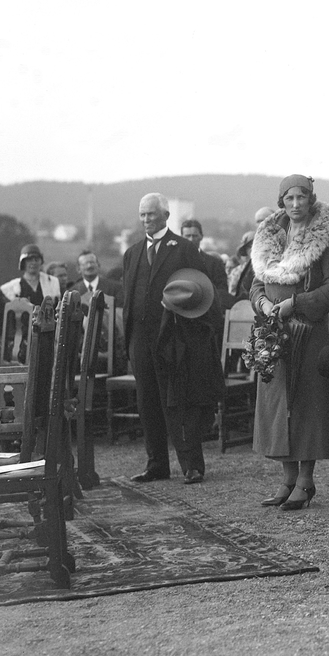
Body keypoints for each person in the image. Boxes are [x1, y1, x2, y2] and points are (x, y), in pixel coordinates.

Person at [250, 175, 329, 511]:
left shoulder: (325, 237)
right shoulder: (269, 234)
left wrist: (297, 303)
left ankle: (306, 480)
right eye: (288, 198)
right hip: (273, 332)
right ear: (281, 201)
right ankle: (287, 479)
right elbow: (257, 283)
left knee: (305, 403)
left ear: (310, 199)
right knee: (278, 404)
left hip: (307, 330)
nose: (295, 204)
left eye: (301, 197)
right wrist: (263, 304)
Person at [122, 192, 224, 484]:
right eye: (142, 215)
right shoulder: (132, 253)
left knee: (180, 402)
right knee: (147, 402)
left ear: (166, 216)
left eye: (151, 214)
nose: (146, 220)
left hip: (174, 338)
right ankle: (156, 465)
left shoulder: (183, 249)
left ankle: (192, 465)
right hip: (140, 339)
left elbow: (203, 293)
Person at [156, 268, 224, 483]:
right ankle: (192, 465)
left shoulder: (202, 326)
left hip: (193, 372)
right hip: (187, 372)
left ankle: (193, 465)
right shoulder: (186, 322)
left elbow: (162, 346)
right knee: (189, 415)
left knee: (190, 415)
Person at [181, 219, 235, 311]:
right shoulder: (174, 262)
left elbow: (222, 292)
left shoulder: (214, 263)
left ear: (201, 236)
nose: (191, 239)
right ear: (181, 237)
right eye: (187, 236)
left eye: (194, 236)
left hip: (207, 313)